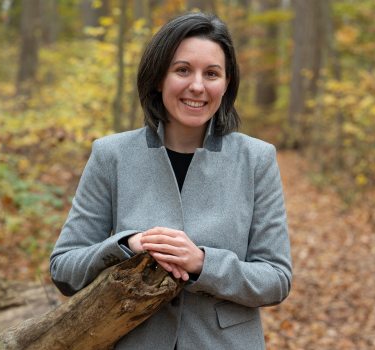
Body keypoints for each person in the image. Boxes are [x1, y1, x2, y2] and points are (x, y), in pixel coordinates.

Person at [49, 12, 292, 349]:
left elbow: (276, 280)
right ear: (158, 78)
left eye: (211, 73)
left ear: (226, 83)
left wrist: (203, 264)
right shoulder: (111, 155)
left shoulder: (257, 159)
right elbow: (63, 269)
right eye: (182, 70)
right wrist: (125, 246)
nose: (197, 85)